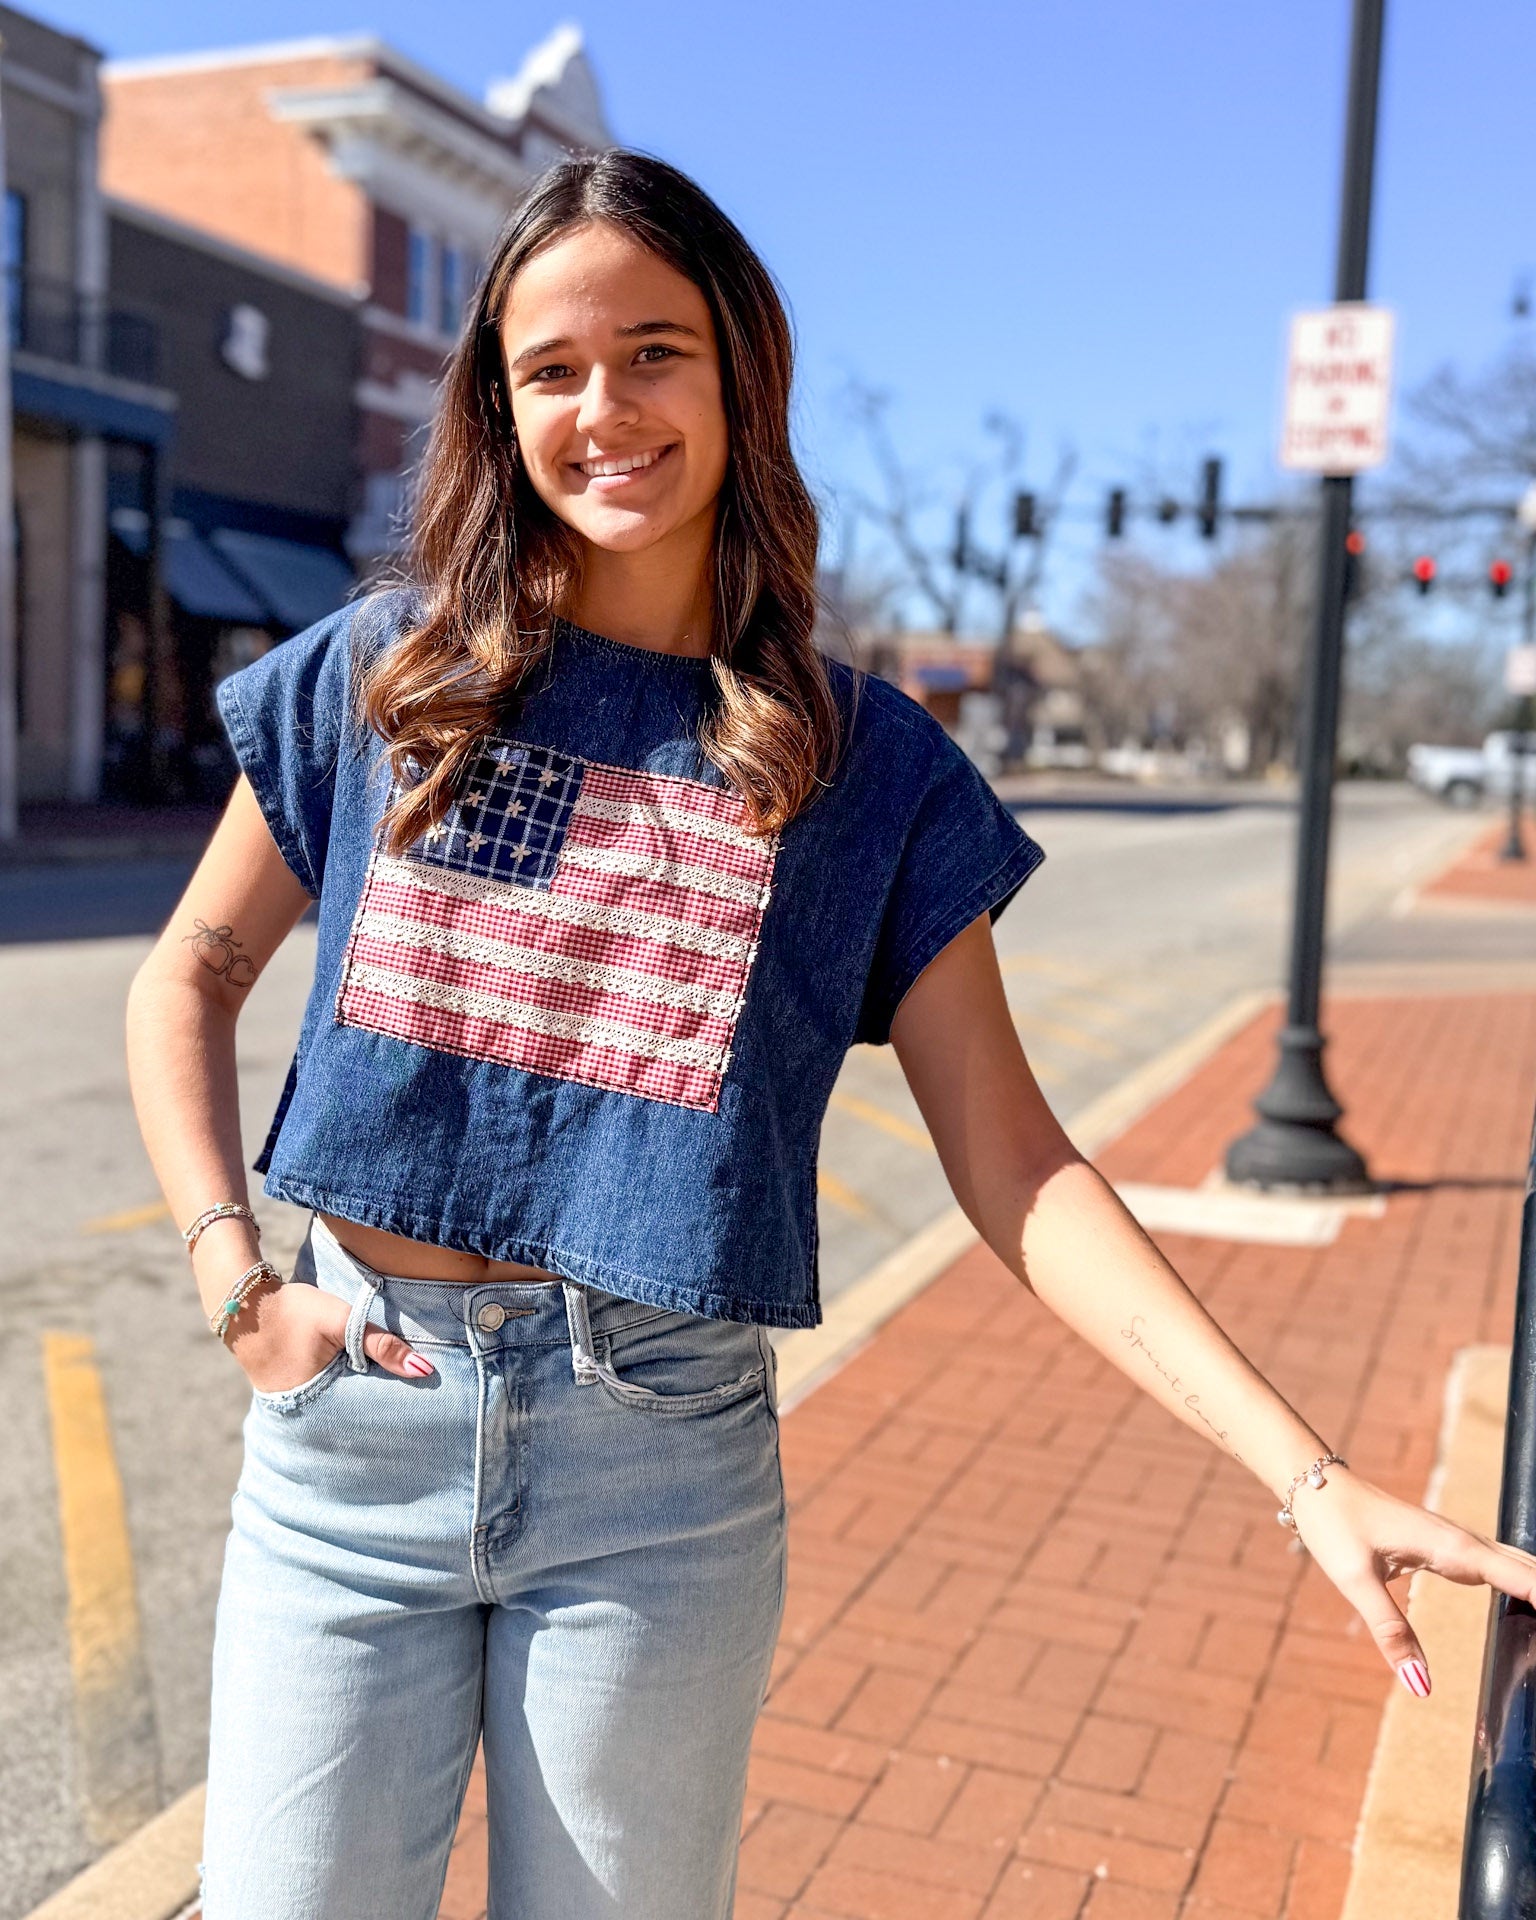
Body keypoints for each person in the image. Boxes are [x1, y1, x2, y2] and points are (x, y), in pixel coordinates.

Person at [125, 149, 1536, 1920]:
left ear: (739, 378)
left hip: (657, 1479)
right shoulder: (383, 677)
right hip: (352, 1436)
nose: (603, 408)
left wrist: (1309, 1475)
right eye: (549, 369)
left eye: (655, 352)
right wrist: (234, 1278)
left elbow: (1017, 1162)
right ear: (499, 403)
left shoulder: (864, 770)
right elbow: (186, 970)